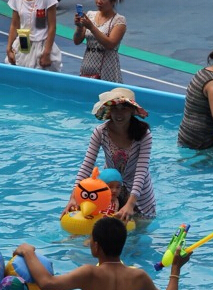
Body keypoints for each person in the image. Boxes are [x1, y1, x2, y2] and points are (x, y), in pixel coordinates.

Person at [14, 216, 192, 290]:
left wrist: (28, 251)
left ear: (96, 246)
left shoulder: (89, 273)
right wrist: (175, 268)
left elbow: (47, 283)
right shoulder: (139, 276)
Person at [63, 87, 156, 220]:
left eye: (124, 108)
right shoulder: (101, 132)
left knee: (138, 231)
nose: (119, 114)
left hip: (139, 194)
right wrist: (74, 197)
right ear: (109, 111)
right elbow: (87, 165)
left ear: (131, 110)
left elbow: (141, 171)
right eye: (115, 108)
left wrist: (130, 204)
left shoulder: (143, 135)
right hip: (110, 188)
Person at [6, 0, 61, 72]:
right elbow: (14, 24)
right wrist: (9, 48)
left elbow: (52, 26)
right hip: (22, 43)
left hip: (41, 45)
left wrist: (47, 52)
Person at [74, 0, 127, 81]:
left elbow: (110, 44)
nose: (99, 1)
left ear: (113, 1)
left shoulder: (119, 21)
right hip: (87, 67)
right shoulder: (90, 15)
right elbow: (77, 41)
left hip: (108, 69)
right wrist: (79, 26)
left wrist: (91, 27)